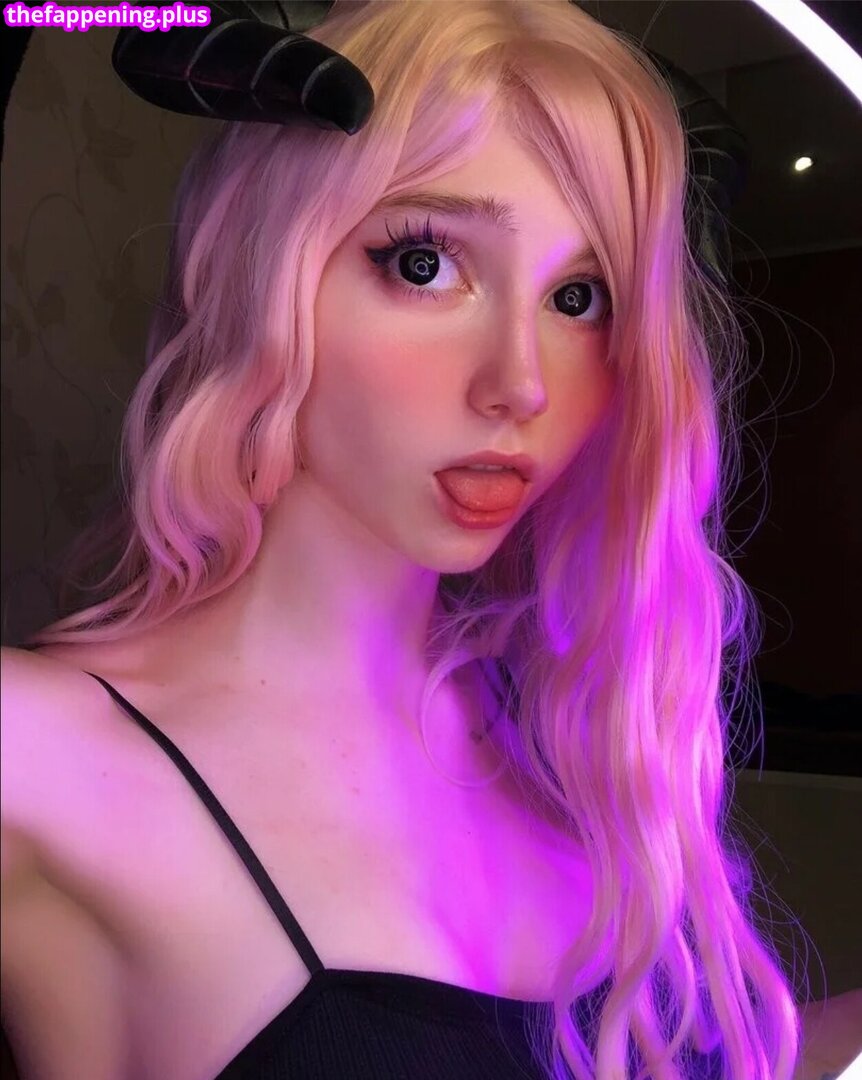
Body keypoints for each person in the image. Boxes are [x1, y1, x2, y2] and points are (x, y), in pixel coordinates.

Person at [1, 1, 803, 1077]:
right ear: (259, 269)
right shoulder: (39, 753)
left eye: (580, 296)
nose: (521, 383)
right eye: (425, 265)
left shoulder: (561, 729)